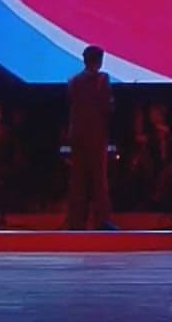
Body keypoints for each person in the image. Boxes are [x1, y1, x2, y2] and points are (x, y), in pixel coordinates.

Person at [67, 46, 116, 230]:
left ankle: (76, 221)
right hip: (95, 135)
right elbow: (106, 105)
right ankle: (102, 220)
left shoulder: (73, 81)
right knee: (98, 179)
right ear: (99, 61)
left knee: (78, 180)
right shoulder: (102, 79)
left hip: (77, 134)